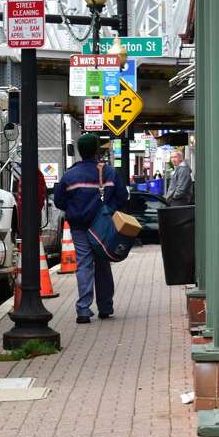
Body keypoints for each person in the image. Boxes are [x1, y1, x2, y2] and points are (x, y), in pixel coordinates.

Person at [52, 133, 127, 324]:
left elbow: (59, 201)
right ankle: (106, 307)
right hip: (103, 228)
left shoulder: (69, 175)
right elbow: (122, 197)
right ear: (96, 151)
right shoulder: (109, 173)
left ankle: (83, 310)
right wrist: (109, 210)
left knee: (84, 264)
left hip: (79, 227)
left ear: (80, 151)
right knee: (103, 263)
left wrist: (75, 209)